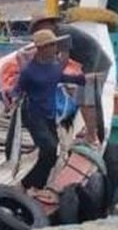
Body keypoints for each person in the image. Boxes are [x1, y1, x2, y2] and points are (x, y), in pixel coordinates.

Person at [8, 29, 86, 191]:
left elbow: (63, 78)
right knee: (50, 150)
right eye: (52, 45)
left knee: (51, 154)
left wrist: (86, 79)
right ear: (42, 48)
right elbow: (16, 90)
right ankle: (24, 185)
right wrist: (14, 99)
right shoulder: (29, 71)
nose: (55, 48)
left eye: (55, 45)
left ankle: (36, 185)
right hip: (33, 116)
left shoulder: (54, 66)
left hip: (49, 115)